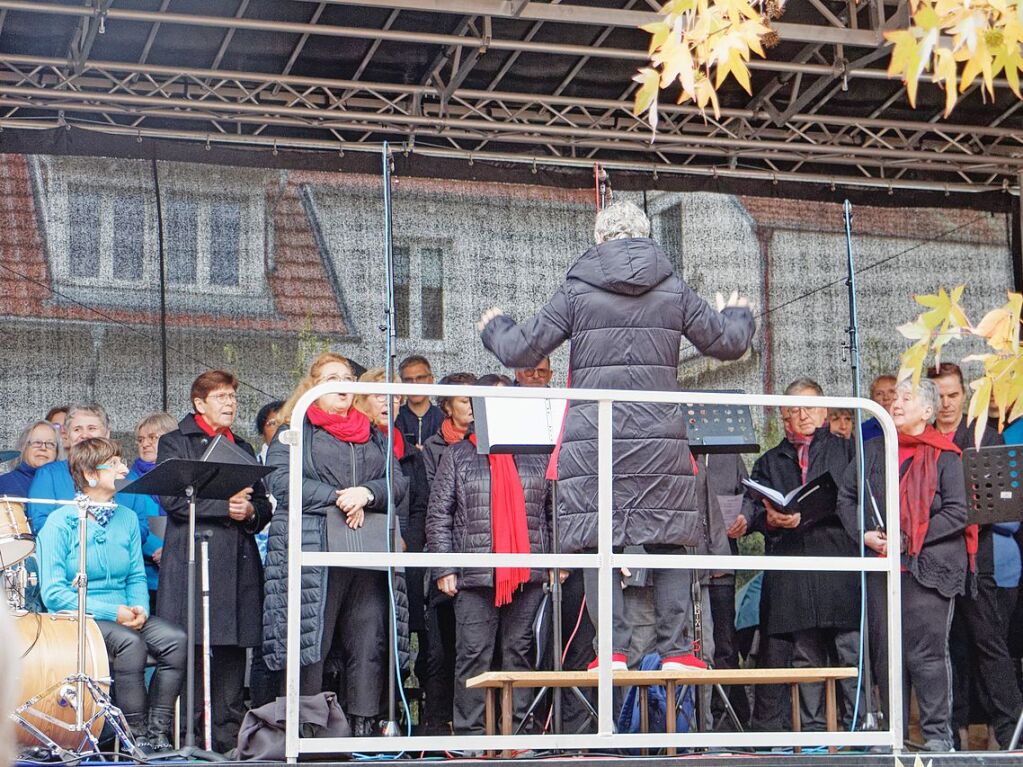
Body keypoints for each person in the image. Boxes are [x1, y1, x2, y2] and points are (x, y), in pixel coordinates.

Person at [477, 200, 754, 671]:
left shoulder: (578, 289)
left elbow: (522, 349)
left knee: (597, 542)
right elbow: (725, 344)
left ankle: (612, 650)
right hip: (658, 433)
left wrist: (494, 326)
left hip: (595, 438)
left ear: (600, 237)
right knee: (669, 537)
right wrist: (738, 316)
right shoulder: (673, 288)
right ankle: (678, 651)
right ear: (645, 236)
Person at [262, 354, 407, 736]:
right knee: (312, 639)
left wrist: (367, 493)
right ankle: (305, 727)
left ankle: (364, 723)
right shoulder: (293, 429)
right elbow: (281, 482)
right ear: (313, 388)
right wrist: (340, 497)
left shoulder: (375, 432)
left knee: (369, 635)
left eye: (347, 377)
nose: (342, 383)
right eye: (331, 378)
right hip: (314, 549)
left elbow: (400, 484)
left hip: (367, 549)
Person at [838, 377, 968, 751]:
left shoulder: (945, 454)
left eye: (906, 398)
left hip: (927, 568)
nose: (896, 403)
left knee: (925, 654)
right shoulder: (874, 451)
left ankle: (937, 736)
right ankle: (892, 734)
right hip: (884, 566)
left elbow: (958, 513)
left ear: (927, 411)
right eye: (894, 397)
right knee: (886, 653)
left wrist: (909, 537)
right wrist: (864, 533)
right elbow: (847, 499)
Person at [37, 437, 186, 753]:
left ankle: (158, 734)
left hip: (123, 611)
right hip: (79, 616)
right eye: (116, 463)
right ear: (91, 474)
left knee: (176, 640)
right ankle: (134, 733)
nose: (125, 468)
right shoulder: (60, 522)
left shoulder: (127, 518)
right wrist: (112, 612)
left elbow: (134, 574)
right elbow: (53, 594)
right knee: (130, 643)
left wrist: (139, 607)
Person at [155, 371, 272, 753]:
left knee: (231, 656)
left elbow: (264, 504)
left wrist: (249, 513)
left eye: (233, 396)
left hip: (237, 563)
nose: (230, 403)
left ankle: (228, 743)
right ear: (199, 403)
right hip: (195, 559)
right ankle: (182, 739)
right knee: (190, 651)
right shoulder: (176, 442)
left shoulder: (242, 445)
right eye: (221, 396)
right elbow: (173, 499)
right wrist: (227, 507)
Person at [426, 378, 552, 734]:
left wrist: (559, 563)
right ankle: (470, 734)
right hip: (474, 573)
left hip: (527, 574)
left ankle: (521, 731)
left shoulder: (536, 453)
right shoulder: (458, 454)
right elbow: (439, 516)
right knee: (473, 656)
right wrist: (444, 567)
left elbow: (553, 512)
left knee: (521, 654)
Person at [746, 378, 860, 731]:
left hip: (838, 561)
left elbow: (859, 501)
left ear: (824, 411)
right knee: (805, 654)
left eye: (809, 407)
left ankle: (856, 726)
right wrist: (770, 519)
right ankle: (813, 730)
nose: (803, 415)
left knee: (849, 650)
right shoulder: (769, 460)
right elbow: (752, 510)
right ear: (783, 415)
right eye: (794, 409)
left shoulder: (848, 450)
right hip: (793, 567)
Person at [928, 362, 1021, 749]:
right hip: (935, 560)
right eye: (939, 396)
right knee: (946, 650)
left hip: (979, 558)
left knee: (989, 648)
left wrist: (951, 517)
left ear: (965, 394)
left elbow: (1004, 506)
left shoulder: (985, 436)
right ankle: (951, 735)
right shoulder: (923, 437)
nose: (947, 403)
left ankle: (1011, 734)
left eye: (953, 395)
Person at [419, 371, 476, 734]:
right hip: (445, 555)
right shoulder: (434, 448)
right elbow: (432, 505)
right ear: (447, 407)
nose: (472, 407)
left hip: (477, 559)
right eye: (465, 400)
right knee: (441, 651)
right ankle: (437, 729)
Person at [28, 405, 149, 539]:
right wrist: (89, 542)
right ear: (67, 435)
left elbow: (142, 528)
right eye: (77, 429)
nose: (84, 435)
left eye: (92, 428)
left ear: (106, 434)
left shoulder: (126, 476)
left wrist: (107, 541)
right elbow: (40, 524)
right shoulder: (48, 474)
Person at [127, 412, 177, 611]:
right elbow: (131, 523)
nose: (145, 444)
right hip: (145, 575)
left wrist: (172, 551)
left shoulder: (184, 476)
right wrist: (158, 551)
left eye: (153, 438)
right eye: (140, 439)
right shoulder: (127, 480)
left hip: (179, 569)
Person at [396, 355, 445, 450]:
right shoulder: (395, 418)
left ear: (431, 380)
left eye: (420, 378)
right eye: (408, 379)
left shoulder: (442, 418)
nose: (414, 384)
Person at [0, 420, 60, 497]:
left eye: (50, 444)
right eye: (37, 442)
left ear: (57, 452)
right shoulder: (4, 483)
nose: (43, 448)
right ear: (24, 447)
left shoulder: (66, 485)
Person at [861, 374, 898, 442]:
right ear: (872, 399)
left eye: (892, 392)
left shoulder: (911, 427)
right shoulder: (862, 431)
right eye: (879, 394)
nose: (886, 397)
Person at [255, 401, 285, 465]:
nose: (281, 429)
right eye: (273, 423)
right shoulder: (253, 464)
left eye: (286, 423)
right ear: (263, 433)